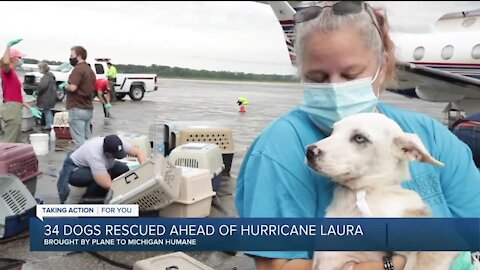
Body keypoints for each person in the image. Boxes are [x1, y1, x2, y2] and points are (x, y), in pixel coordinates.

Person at [235, 2, 480, 269]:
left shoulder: (431, 136)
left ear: (384, 65)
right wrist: (394, 264)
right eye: (317, 77)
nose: (335, 88)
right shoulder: (278, 152)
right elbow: (278, 265)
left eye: (351, 74)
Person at [56, 134, 146, 204]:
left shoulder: (117, 142)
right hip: (76, 168)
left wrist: (144, 170)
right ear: (107, 153)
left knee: (123, 169)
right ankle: (89, 202)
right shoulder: (95, 154)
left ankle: (103, 192)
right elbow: (107, 184)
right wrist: (123, 194)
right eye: (114, 155)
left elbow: (138, 153)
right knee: (96, 180)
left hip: (103, 165)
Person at [1, 38, 42, 142]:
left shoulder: (13, 74)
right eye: (19, 57)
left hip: (15, 107)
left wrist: (30, 108)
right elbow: (5, 63)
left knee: (16, 141)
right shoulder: (7, 72)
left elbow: (17, 96)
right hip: (11, 108)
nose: (21, 60)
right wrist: (8, 46)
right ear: (13, 58)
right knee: (9, 141)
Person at [58, 46, 96, 148]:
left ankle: (81, 162)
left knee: (79, 142)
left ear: (79, 56)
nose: (70, 58)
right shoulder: (90, 71)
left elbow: (73, 87)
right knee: (88, 139)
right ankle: (90, 160)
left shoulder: (77, 69)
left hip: (76, 107)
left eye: (72, 56)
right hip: (88, 108)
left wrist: (65, 86)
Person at [36, 61, 57, 130]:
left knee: (47, 111)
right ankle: (49, 124)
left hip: (46, 97)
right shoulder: (51, 76)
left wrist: (36, 91)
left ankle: (49, 125)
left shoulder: (46, 77)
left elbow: (42, 86)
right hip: (50, 96)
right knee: (48, 110)